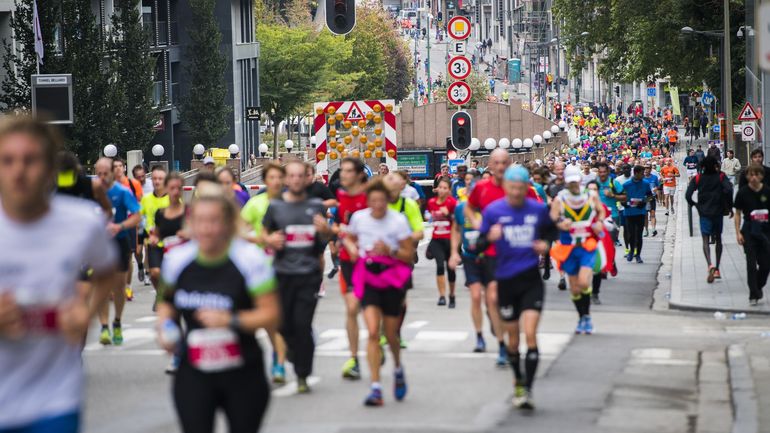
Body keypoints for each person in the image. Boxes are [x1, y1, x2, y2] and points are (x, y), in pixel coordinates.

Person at [0, 115, 116, 433]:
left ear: (50, 167)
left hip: (55, 398)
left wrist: (86, 311)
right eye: (7, 161)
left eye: (30, 160)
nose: (19, 171)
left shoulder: (82, 222)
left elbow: (107, 270)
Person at [156, 185, 280, 433]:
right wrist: (164, 328)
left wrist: (231, 320)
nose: (206, 229)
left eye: (214, 221)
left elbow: (271, 314)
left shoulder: (249, 259)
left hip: (243, 372)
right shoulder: (177, 260)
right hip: (195, 371)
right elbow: (166, 304)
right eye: (200, 221)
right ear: (191, 223)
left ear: (228, 223)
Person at [477, 165, 554, 409]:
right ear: (506, 187)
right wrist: (489, 238)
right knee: (513, 341)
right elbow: (477, 244)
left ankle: (527, 390)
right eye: (512, 187)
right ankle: (518, 380)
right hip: (506, 281)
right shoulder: (493, 211)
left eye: (521, 188)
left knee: (530, 335)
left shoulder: (537, 209)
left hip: (531, 280)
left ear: (526, 187)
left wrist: (546, 245)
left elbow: (551, 232)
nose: (517, 192)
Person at [342, 179, 415, 406]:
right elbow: (349, 238)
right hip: (368, 277)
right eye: (373, 201)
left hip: (392, 278)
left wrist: (390, 250)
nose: (377, 205)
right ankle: (376, 387)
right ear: (367, 201)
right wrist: (353, 249)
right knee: (373, 332)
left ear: (387, 200)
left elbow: (408, 255)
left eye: (381, 200)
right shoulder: (359, 218)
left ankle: (398, 367)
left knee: (390, 335)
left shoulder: (397, 221)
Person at [262, 161, 331, 393]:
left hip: (308, 274)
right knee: (282, 324)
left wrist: (326, 231)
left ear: (306, 178)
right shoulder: (275, 207)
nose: (296, 180)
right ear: (286, 179)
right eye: (291, 176)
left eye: (300, 175)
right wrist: (269, 240)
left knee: (302, 325)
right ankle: (292, 351)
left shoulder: (316, 205)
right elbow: (264, 233)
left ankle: (302, 374)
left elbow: (324, 239)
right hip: (282, 274)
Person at [240, 162, 289, 383]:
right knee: (271, 320)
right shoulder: (255, 203)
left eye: (279, 177)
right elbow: (239, 231)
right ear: (265, 180)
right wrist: (260, 238)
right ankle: (279, 360)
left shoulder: (291, 202)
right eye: (271, 178)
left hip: (289, 266)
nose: (276, 182)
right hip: (262, 268)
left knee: (284, 319)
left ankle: (284, 352)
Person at [465, 148, 511, 365]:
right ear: (490, 166)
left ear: (509, 164)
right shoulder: (481, 188)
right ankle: (501, 345)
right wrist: (478, 225)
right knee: (490, 297)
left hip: (513, 253)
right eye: (496, 163)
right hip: (489, 251)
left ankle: (501, 324)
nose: (500, 167)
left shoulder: (519, 187)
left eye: (504, 162)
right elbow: (468, 208)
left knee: (506, 300)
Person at [549, 165, 605, 334]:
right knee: (574, 288)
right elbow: (552, 219)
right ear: (566, 182)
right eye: (570, 182)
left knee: (583, 282)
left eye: (575, 181)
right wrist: (560, 223)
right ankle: (582, 318)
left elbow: (601, 211)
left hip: (587, 245)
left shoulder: (591, 195)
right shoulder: (560, 199)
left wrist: (599, 222)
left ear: (580, 180)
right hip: (568, 247)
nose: (573, 185)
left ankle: (587, 316)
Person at [94, 157, 141, 345]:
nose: (102, 177)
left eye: (105, 173)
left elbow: (137, 216)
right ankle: (104, 326)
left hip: (119, 241)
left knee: (119, 287)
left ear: (113, 173)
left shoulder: (122, 192)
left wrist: (120, 226)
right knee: (101, 286)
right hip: (99, 244)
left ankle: (117, 321)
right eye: (98, 174)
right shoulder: (92, 192)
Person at [332, 158, 369, 380]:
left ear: (359, 174)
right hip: (348, 261)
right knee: (352, 308)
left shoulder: (370, 198)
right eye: (342, 171)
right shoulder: (341, 196)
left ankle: (376, 339)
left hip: (370, 261)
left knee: (371, 309)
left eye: (347, 171)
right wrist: (337, 236)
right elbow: (340, 225)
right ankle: (354, 358)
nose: (343, 175)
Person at [686, 156, 733, 283]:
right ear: (715, 166)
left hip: (704, 212)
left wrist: (695, 204)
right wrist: (729, 206)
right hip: (718, 211)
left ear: (703, 167)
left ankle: (709, 264)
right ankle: (717, 268)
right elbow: (729, 190)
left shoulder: (698, 178)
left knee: (705, 239)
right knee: (718, 239)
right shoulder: (721, 176)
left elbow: (688, 195)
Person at [733, 164, 770, 305]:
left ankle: (758, 286)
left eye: (757, 174)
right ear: (747, 176)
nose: (754, 177)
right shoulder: (742, 193)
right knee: (751, 264)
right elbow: (737, 214)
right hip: (749, 230)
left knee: (765, 264)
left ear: (761, 176)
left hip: (765, 230)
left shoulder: (767, 191)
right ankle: (753, 294)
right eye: (751, 175)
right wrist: (738, 233)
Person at [113, 158, 143, 296]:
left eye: (121, 165)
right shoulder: (108, 185)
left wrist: (138, 224)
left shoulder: (133, 184)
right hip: (113, 224)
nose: (118, 168)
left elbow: (139, 204)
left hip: (130, 223)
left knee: (128, 255)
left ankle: (128, 286)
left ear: (124, 168)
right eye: (115, 166)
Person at [426, 177, 457, 307]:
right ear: (437, 188)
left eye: (445, 188)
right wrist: (428, 217)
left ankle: (452, 295)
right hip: (437, 238)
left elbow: (457, 222)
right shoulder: (432, 202)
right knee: (439, 266)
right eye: (440, 187)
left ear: (449, 190)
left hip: (449, 239)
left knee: (450, 269)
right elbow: (429, 216)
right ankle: (442, 296)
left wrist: (448, 215)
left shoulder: (452, 203)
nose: (442, 190)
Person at [140, 166, 170, 289]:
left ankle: (166, 296)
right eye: (154, 178)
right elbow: (139, 219)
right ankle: (160, 294)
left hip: (169, 243)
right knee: (155, 273)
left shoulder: (172, 199)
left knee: (168, 276)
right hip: (153, 243)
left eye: (160, 179)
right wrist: (141, 237)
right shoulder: (146, 199)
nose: (157, 181)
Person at [622, 165, 654, 263]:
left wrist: (644, 202)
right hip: (629, 213)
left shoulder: (645, 183)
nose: (643, 175)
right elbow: (621, 197)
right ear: (636, 173)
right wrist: (625, 204)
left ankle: (638, 255)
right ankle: (631, 251)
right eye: (641, 173)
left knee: (639, 235)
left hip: (640, 212)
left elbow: (650, 196)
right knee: (631, 234)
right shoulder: (626, 184)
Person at [643, 165, 659, 237]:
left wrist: (656, 188)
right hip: (644, 198)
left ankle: (653, 229)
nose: (646, 170)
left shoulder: (654, 177)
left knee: (652, 214)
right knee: (645, 215)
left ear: (650, 169)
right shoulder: (641, 177)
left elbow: (658, 186)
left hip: (652, 197)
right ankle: (646, 230)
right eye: (645, 168)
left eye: (648, 168)